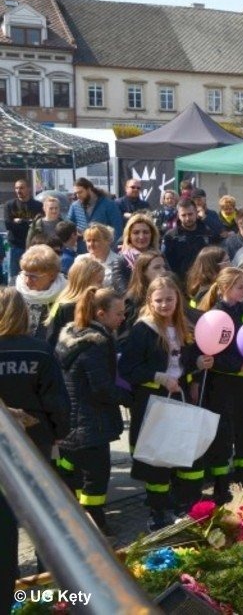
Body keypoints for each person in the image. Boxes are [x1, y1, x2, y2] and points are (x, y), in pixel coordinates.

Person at [119, 277, 211, 529]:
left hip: (179, 400)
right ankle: (157, 512)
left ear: (177, 300)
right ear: (149, 301)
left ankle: (187, 505)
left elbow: (184, 364)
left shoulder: (184, 327)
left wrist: (197, 367)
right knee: (157, 462)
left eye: (169, 299)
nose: (164, 305)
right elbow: (128, 369)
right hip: (152, 403)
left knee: (186, 455)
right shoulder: (142, 330)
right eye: (158, 300)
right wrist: (158, 377)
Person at [0, 287, 69, 610]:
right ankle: (51, 591)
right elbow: (57, 401)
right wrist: (58, 433)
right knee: (43, 516)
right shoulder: (40, 351)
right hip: (36, 443)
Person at [54, 286, 129, 535]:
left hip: (69, 425)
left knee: (73, 475)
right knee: (95, 479)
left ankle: (75, 521)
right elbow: (102, 389)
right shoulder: (96, 344)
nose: (123, 318)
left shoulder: (71, 337)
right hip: (91, 424)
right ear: (100, 314)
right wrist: (130, 398)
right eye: (118, 313)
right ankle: (96, 524)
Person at [197, 268, 243, 502]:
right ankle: (221, 484)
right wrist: (239, 366)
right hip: (222, 385)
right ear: (225, 288)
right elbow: (213, 354)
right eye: (240, 287)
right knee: (223, 435)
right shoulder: (214, 316)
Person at [46, 258, 105, 349]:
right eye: (99, 282)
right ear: (84, 281)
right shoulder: (66, 306)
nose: (102, 286)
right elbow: (52, 335)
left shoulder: (60, 302)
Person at [15, 244, 67, 339]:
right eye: (25, 275)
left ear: (52, 275)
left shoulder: (66, 295)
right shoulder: (14, 292)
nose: (27, 281)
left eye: (34, 277)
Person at [162, 198, 214, 280]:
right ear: (178, 216)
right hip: (180, 282)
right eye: (183, 215)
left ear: (196, 213)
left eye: (190, 214)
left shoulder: (207, 232)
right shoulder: (171, 236)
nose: (187, 218)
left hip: (204, 280)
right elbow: (165, 262)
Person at [5, 179, 43, 282]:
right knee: (14, 277)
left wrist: (20, 221)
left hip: (32, 247)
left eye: (21, 188)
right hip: (15, 246)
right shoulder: (9, 205)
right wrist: (29, 223)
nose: (18, 190)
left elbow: (38, 226)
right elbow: (8, 225)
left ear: (28, 189)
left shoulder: (38, 205)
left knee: (32, 275)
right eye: (16, 188)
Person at [76, 223, 130, 294]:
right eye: (88, 241)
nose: (91, 244)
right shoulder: (80, 260)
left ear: (107, 241)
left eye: (95, 240)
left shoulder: (119, 261)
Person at [68, 178, 123, 244]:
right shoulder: (75, 206)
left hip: (103, 248)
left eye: (80, 192)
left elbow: (117, 228)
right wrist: (74, 233)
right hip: (82, 249)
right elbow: (68, 226)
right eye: (76, 193)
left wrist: (109, 247)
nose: (78, 196)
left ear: (89, 189)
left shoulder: (108, 204)